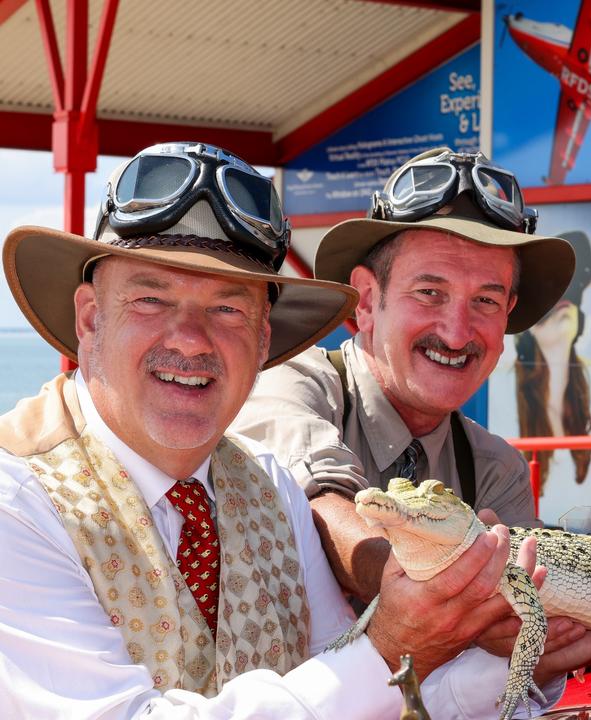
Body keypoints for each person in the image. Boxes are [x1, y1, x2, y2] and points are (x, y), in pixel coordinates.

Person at [0, 142, 560, 717]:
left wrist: (509, 653)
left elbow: (364, 688)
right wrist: (394, 641)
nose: (190, 339)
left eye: (227, 309)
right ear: (91, 318)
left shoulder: (269, 485)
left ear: (263, 339)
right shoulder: (16, 501)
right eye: (151, 299)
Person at [233, 148, 591, 683]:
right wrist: (424, 588)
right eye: (429, 292)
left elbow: (521, 639)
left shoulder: (496, 468)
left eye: (486, 301)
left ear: (508, 315)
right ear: (366, 301)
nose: (458, 333)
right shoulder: (292, 382)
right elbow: (322, 500)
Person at [513, 230, 591, 496]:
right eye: (546, 309)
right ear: (528, 333)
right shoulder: (508, 388)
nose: (562, 304)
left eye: (569, 295)